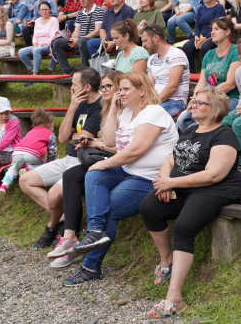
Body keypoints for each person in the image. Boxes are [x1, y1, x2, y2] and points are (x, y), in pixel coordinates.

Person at [58, 72, 177, 287]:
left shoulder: (153, 112)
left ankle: (90, 267)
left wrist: (105, 163)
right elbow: (111, 140)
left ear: (142, 90)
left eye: (125, 89)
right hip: (128, 170)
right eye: (119, 89)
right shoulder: (125, 113)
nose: (120, 93)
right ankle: (94, 231)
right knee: (93, 175)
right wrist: (113, 109)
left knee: (109, 209)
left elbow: (136, 151)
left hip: (149, 177)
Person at [139, 87, 241, 319]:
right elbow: (171, 159)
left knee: (184, 227)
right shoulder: (190, 129)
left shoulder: (224, 135)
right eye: (192, 101)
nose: (192, 105)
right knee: (149, 207)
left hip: (217, 187)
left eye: (199, 102)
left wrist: (173, 183)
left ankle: (174, 298)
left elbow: (213, 175)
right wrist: (166, 180)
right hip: (187, 184)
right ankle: (166, 259)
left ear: (215, 109)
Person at [21, 67, 102, 250]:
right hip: (68, 158)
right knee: (25, 180)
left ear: (87, 87)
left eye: (74, 84)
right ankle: (64, 218)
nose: (71, 88)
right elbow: (63, 137)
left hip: (83, 161)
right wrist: (72, 107)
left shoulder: (99, 106)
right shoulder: (79, 103)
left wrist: (75, 134)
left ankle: (51, 226)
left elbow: (83, 139)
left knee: (54, 194)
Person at [0, 108, 56, 197]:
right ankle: (27, 169)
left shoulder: (31, 132)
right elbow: (52, 151)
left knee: (13, 169)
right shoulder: (50, 134)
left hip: (17, 152)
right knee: (44, 165)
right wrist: (50, 162)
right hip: (33, 154)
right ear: (48, 125)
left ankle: (4, 186)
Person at [218, 37, 241, 176]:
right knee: (223, 122)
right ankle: (228, 157)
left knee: (238, 124)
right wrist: (240, 106)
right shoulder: (239, 71)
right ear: (240, 57)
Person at [50, 0, 104, 74]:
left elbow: (98, 31)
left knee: (82, 40)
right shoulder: (80, 12)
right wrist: (73, 40)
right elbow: (77, 30)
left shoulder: (99, 10)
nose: (81, 0)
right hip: (80, 41)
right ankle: (67, 71)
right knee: (57, 43)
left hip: (92, 41)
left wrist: (79, 40)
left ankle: (85, 69)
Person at [141, 23, 190, 117]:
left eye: (145, 41)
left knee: (149, 115)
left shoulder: (176, 54)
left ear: (156, 38)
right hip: (157, 100)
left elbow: (172, 87)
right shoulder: (152, 58)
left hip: (176, 101)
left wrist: (152, 104)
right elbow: (150, 85)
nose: (143, 45)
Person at [180, 0, 224, 72]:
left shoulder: (219, 7)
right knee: (186, 47)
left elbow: (218, 26)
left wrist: (205, 38)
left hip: (214, 35)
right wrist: (196, 37)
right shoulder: (201, 8)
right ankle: (192, 73)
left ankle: (208, 72)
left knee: (205, 47)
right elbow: (197, 25)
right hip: (201, 36)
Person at [19, 2, 59, 77]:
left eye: (46, 9)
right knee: (21, 52)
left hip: (49, 45)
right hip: (38, 45)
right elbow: (35, 35)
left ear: (50, 10)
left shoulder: (54, 20)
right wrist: (35, 45)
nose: (44, 11)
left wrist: (46, 43)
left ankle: (35, 73)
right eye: (42, 10)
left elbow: (54, 35)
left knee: (37, 50)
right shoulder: (37, 21)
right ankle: (32, 69)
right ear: (39, 11)